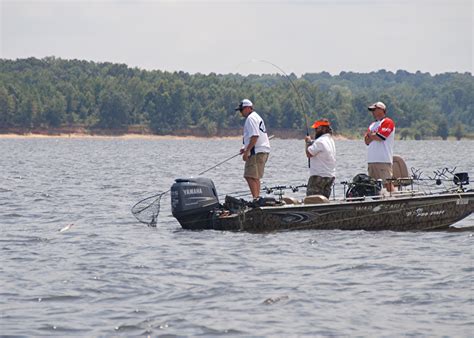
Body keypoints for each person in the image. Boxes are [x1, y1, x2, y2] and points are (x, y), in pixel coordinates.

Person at [235, 99, 270, 201]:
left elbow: (255, 136)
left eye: (241, 110)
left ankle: (256, 199)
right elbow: (253, 137)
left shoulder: (250, 118)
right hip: (262, 150)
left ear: (248, 108)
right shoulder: (256, 117)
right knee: (255, 177)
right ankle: (257, 199)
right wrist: (244, 148)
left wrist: (247, 151)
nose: (241, 112)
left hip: (256, 151)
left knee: (249, 176)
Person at [364, 101, 396, 192]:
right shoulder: (372, 125)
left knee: (387, 183)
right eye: (372, 110)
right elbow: (366, 141)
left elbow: (381, 137)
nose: (373, 112)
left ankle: (394, 200)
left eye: (374, 110)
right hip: (371, 160)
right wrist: (373, 135)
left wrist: (372, 135)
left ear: (381, 110)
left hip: (383, 160)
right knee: (373, 186)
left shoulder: (387, 122)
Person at [304, 118, 336, 198]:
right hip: (329, 176)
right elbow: (317, 146)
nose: (315, 130)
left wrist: (308, 142)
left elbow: (309, 153)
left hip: (318, 176)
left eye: (317, 128)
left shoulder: (320, 141)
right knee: (324, 200)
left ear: (324, 129)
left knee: (312, 200)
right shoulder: (330, 140)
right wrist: (311, 142)